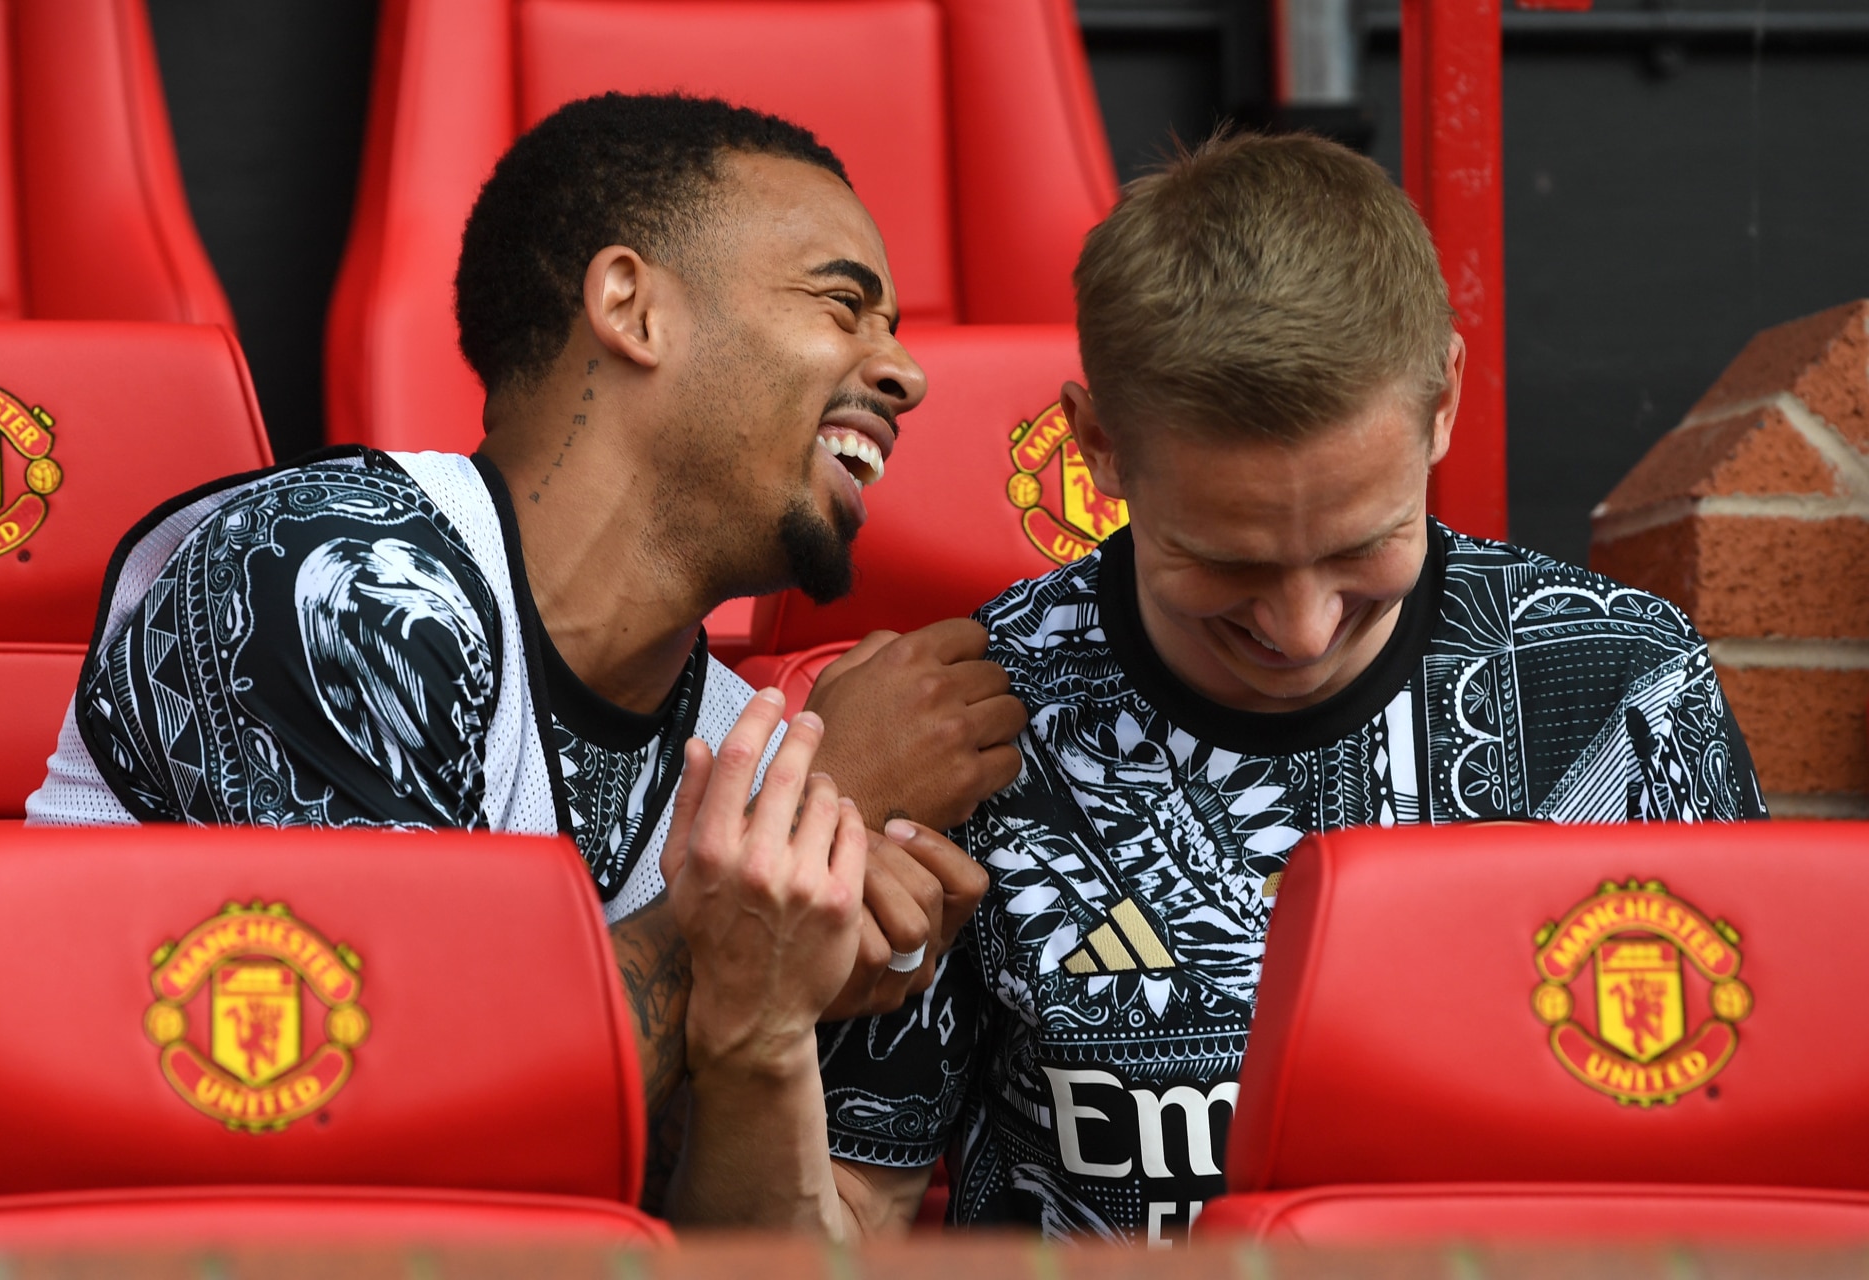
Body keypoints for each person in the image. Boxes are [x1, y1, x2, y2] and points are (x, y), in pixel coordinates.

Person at [728, 129, 1763, 1243]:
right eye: (1227, 562)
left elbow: (1738, 1159)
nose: (1301, 626)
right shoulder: (963, 727)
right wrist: (758, 1016)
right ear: (1099, 449)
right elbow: (841, 1224)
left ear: (1444, 401)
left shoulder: (1621, 686)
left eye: (1367, 546)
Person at [26, 93, 1024, 1228]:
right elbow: (389, 1130)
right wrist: (773, 883)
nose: (905, 373)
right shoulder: (330, 574)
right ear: (631, 306)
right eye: (843, 305)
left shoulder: (775, 768)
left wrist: (761, 1041)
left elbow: (798, 1244)